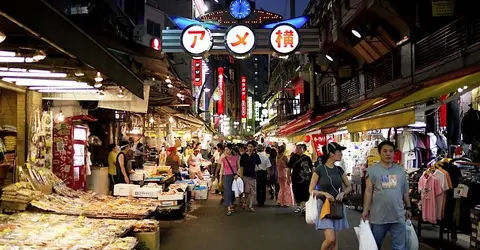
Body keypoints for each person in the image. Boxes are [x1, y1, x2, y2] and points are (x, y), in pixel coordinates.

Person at [362, 140, 412, 250]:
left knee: (400, 247)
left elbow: (404, 191)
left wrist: (408, 207)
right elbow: (368, 191)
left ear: (394, 153)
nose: (388, 154)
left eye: (391, 151)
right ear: (379, 153)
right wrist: (365, 210)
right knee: (375, 245)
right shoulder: (372, 171)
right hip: (378, 216)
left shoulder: (400, 171)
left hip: (398, 215)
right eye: (385, 151)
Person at [309, 142, 352, 250]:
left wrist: (343, 193)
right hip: (324, 207)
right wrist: (324, 193)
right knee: (330, 239)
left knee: (335, 243)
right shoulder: (319, 169)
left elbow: (349, 187)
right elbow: (311, 190)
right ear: (331, 154)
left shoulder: (339, 170)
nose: (341, 154)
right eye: (339, 151)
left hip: (337, 207)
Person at [288, 143, 314, 214]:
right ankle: (298, 206)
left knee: (306, 191)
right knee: (296, 191)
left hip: (306, 178)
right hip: (295, 178)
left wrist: (314, 177)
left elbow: (311, 168)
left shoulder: (307, 158)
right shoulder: (293, 158)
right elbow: (289, 168)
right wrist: (288, 177)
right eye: (297, 148)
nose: (298, 150)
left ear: (304, 149)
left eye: (300, 148)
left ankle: (305, 206)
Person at [239, 141, 261, 211]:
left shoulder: (256, 156)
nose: (250, 148)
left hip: (253, 175)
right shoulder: (243, 156)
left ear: (254, 148)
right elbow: (241, 166)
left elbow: (258, 165)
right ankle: (244, 201)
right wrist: (241, 175)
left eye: (251, 147)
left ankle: (250, 205)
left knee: (253, 191)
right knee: (246, 191)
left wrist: (257, 167)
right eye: (249, 146)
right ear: (247, 147)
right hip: (245, 175)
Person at [219, 143, 240, 216]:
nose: (226, 151)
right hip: (226, 177)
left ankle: (232, 204)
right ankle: (229, 208)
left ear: (231, 150)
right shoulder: (223, 159)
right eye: (225, 150)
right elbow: (221, 170)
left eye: (227, 149)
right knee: (227, 192)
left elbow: (239, 167)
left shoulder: (236, 158)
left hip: (234, 177)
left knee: (233, 192)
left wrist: (237, 174)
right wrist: (220, 180)